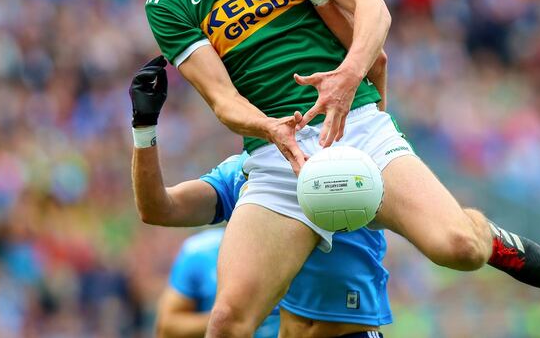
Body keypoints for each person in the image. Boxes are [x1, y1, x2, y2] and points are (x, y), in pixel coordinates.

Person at [121, 0, 540, 337]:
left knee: (458, 249)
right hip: (278, 156)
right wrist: (270, 128)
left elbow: (372, 7)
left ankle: (486, 234)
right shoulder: (168, 1)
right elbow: (222, 99)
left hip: (358, 127)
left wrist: (348, 76)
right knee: (226, 324)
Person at [132, 57, 392, 337]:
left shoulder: (354, 161)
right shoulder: (248, 173)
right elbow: (158, 209)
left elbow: (378, 66)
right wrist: (144, 127)